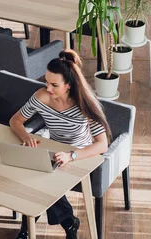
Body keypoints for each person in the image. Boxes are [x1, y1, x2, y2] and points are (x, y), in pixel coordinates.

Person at [9, 49, 111, 239]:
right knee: (34, 175)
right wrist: (25, 136)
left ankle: (30, 229)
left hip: (81, 155)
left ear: (69, 86)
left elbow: (102, 145)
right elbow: (15, 120)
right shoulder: (41, 97)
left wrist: (71, 155)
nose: (48, 88)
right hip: (55, 150)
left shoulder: (85, 105)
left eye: (54, 85)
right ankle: (67, 222)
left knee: (41, 180)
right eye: (46, 82)